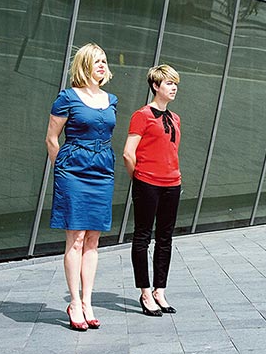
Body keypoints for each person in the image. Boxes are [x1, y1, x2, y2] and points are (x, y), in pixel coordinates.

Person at [45, 43, 117, 331]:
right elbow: (52, 138)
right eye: (96, 60)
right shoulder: (67, 98)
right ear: (84, 65)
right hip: (73, 171)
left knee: (93, 240)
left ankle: (87, 302)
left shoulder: (111, 100)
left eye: (104, 60)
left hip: (102, 171)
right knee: (75, 238)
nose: (101, 65)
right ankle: (74, 302)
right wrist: (61, 171)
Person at [123, 65, 181, 316]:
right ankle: (145, 292)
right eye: (168, 83)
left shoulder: (175, 118)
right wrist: (139, 178)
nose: (174, 87)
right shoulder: (142, 115)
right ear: (156, 86)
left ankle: (160, 290)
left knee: (165, 238)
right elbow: (128, 152)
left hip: (172, 184)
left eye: (175, 83)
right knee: (143, 237)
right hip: (147, 183)